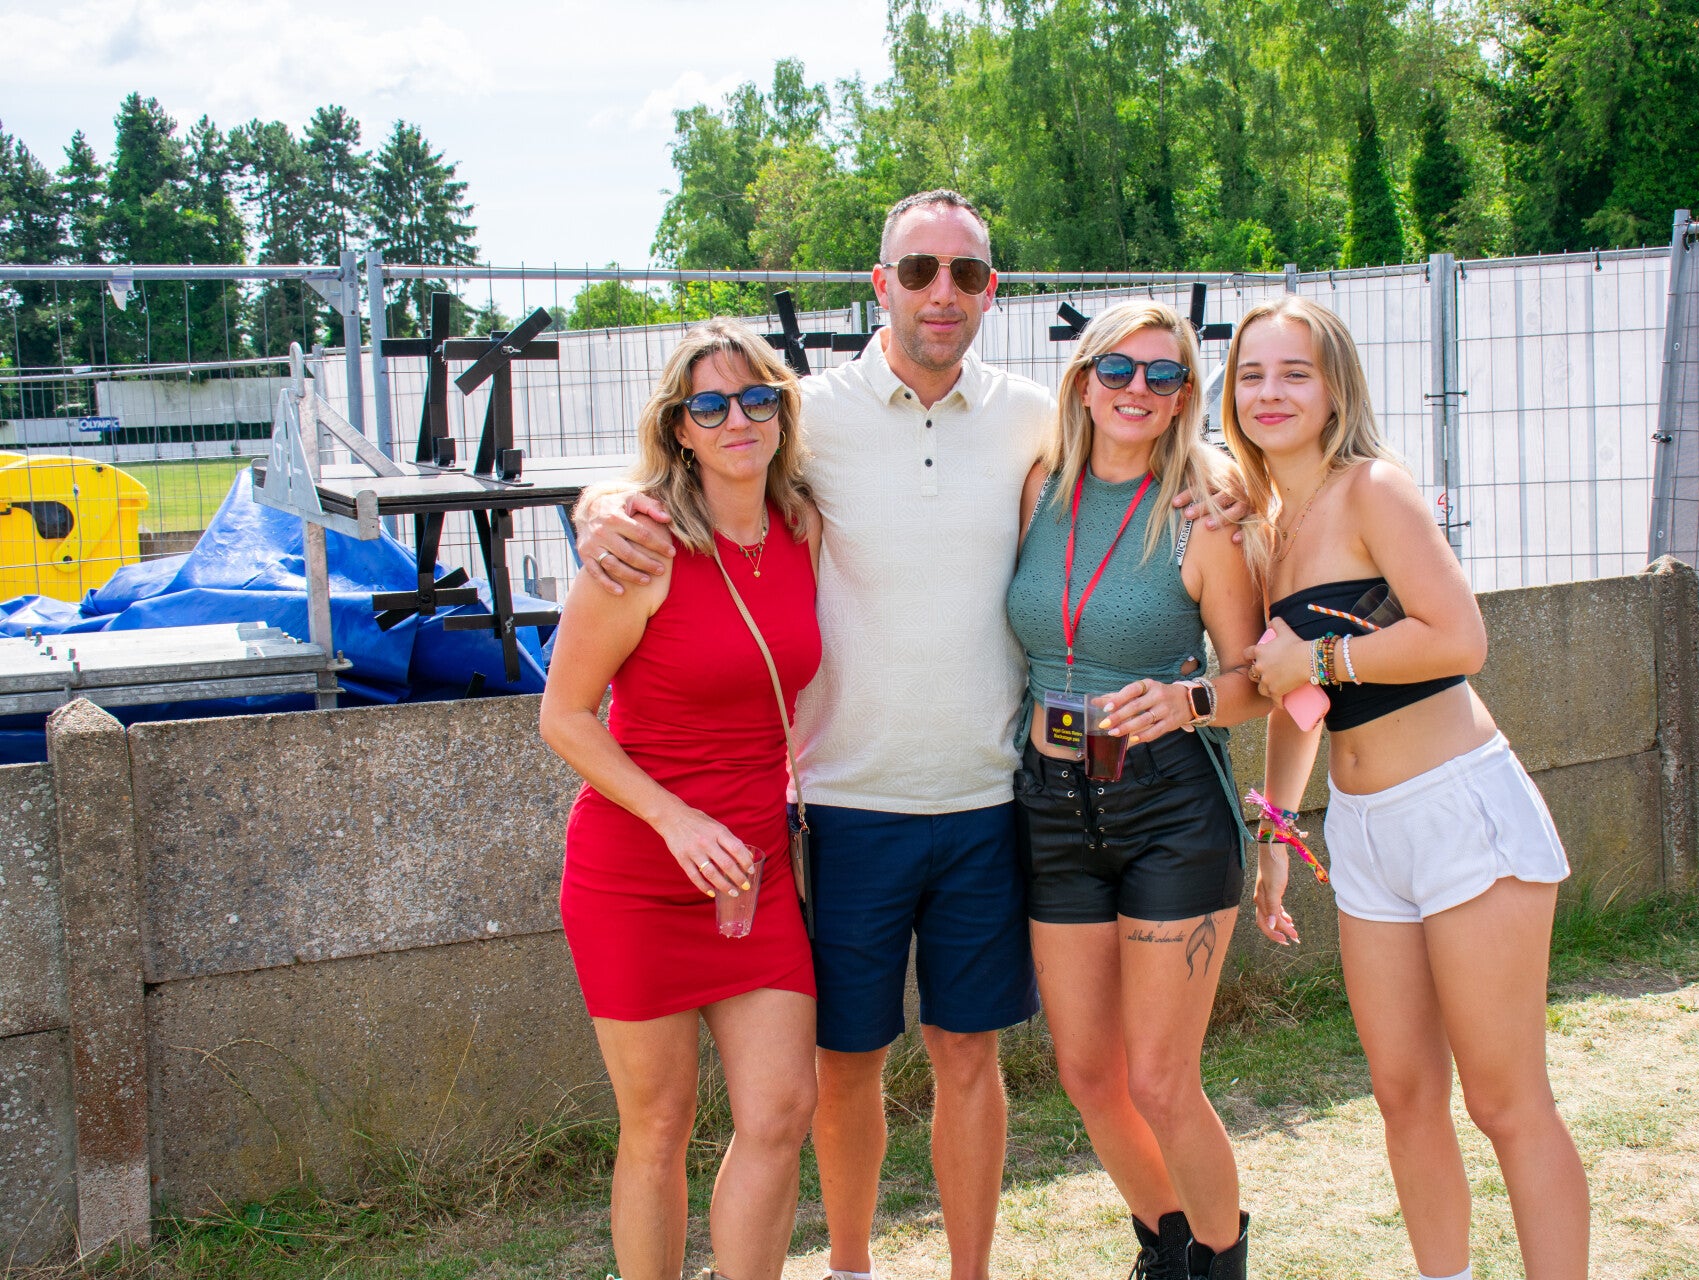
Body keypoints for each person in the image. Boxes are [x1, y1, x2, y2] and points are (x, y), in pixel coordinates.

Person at [574, 191, 1242, 1280]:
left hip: (989, 799)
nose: (943, 292)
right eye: (919, 270)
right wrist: (599, 504)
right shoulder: (803, 413)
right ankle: (852, 1266)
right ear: (880, 283)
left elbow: (1145, 445)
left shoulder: (1031, 416)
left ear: (991, 290)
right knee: (845, 1067)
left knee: (969, 1057)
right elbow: (686, 458)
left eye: (966, 273)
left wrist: (1224, 486)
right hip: (845, 804)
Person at [1230, 296, 1591, 1280]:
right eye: (1252, 374)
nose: (1270, 392)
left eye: (1294, 372)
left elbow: (1458, 637)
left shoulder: (1373, 490)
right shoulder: (1269, 527)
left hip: (1459, 810)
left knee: (1506, 1101)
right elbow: (1296, 705)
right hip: (1364, 834)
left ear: (1335, 387)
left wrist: (1321, 659)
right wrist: (1276, 836)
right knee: (1402, 1095)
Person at [540, 318, 822, 1280]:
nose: (738, 418)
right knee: (658, 1124)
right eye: (710, 404)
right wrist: (674, 817)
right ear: (679, 428)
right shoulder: (642, 547)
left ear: (783, 411)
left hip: (755, 867)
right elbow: (563, 716)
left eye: (757, 398)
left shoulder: (804, 527)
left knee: (781, 1111)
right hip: (636, 872)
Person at [1005, 300, 1268, 1280]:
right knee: (1088, 1073)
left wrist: (1188, 699)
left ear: (1185, 396)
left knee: (1160, 1078)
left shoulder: (1202, 511)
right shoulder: (1039, 489)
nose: (1138, 390)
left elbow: (1254, 680)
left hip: (1168, 804)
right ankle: (1170, 1249)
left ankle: (1222, 1265)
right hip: (1050, 800)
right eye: (1118, 369)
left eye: (1165, 375)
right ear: (1083, 382)